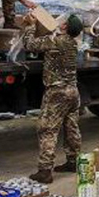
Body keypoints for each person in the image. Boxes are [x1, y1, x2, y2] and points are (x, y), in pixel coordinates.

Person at [24, 14, 84, 184]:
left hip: (57, 91)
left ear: (65, 27)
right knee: (71, 126)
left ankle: (45, 170)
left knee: (47, 129)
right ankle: (74, 161)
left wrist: (30, 26)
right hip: (72, 90)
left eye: (63, 22)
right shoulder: (73, 43)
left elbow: (29, 45)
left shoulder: (55, 41)